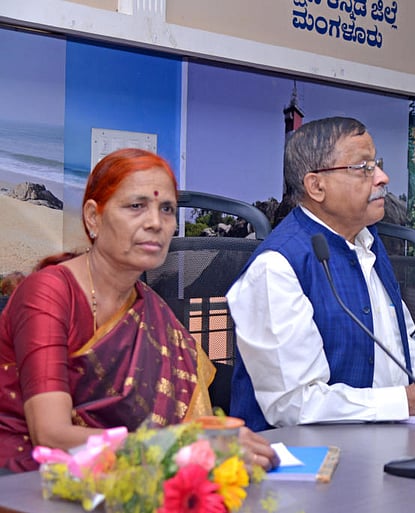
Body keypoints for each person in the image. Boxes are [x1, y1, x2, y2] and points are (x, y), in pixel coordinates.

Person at [0, 149, 277, 473]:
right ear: (93, 217)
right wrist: (185, 447)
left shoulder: (152, 308)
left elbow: (193, 423)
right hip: (31, 483)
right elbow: (50, 435)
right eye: (136, 206)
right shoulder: (48, 295)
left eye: (167, 209)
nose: (156, 223)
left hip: (134, 481)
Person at [227, 117, 415, 431]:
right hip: (301, 462)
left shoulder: (367, 242)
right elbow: (293, 405)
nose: (382, 177)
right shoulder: (276, 267)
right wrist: (408, 401)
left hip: (380, 440)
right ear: (316, 186)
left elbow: (398, 344)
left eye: (376, 163)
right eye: (363, 167)